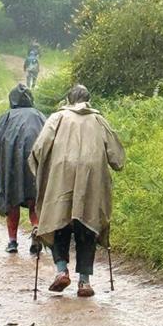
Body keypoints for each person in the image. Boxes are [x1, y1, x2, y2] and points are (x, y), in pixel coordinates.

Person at [29, 84, 125, 297]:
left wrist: (40, 170)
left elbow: (39, 149)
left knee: (58, 221)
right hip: (91, 179)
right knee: (87, 224)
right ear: (88, 100)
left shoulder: (57, 118)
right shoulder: (98, 120)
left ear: (68, 100)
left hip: (61, 176)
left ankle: (62, 270)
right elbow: (117, 158)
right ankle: (84, 281)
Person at [0, 84, 45, 253]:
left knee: (12, 202)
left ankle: (12, 241)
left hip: (11, 167)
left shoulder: (7, 117)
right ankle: (36, 227)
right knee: (34, 200)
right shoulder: (40, 116)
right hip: (35, 166)